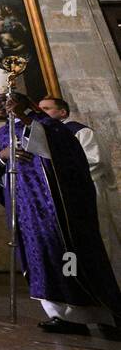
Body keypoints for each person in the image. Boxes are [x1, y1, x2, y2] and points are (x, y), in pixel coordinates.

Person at [0, 67, 121, 338]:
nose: (2, 108)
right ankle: (63, 316)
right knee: (42, 259)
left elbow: (67, 157)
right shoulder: (1, 134)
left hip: (58, 209)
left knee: (71, 258)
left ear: (22, 100)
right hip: (26, 213)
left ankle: (105, 314)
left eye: (6, 102)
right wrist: (2, 156)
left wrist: (24, 117)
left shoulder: (52, 127)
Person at [38, 96, 121, 285]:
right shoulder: (45, 135)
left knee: (97, 237)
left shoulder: (80, 132)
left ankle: (105, 284)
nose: (41, 112)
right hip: (60, 195)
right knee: (69, 241)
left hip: (87, 192)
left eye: (47, 108)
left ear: (62, 112)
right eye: (39, 109)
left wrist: (63, 177)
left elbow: (96, 161)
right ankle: (76, 283)